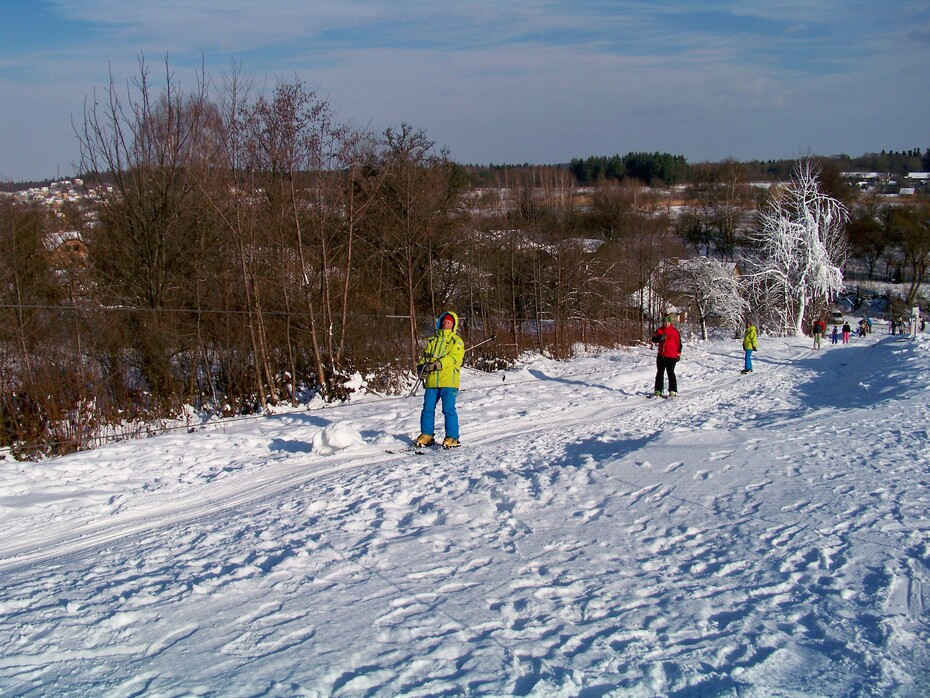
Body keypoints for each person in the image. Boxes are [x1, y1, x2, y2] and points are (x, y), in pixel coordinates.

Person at [414, 311, 465, 449]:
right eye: (444, 321)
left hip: (448, 381)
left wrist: (438, 364)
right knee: (427, 408)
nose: (446, 324)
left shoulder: (456, 341)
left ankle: (452, 437)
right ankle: (427, 435)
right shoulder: (433, 341)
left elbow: (454, 358)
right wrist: (422, 367)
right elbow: (425, 357)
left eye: (449, 322)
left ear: (453, 324)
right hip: (432, 381)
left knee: (448, 409)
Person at [651, 314, 682, 397]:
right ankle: (658, 390)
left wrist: (678, 354)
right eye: (664, 322)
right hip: (661, 355)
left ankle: (673, 391)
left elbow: (679, 344)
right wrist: (660, 338)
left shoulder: (675, 331)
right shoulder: (659, 330)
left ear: (670, 322)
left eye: (667, 322)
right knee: (659, 373)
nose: (666, 323)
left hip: (671, 356)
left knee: (670, 373)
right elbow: (653, 339)